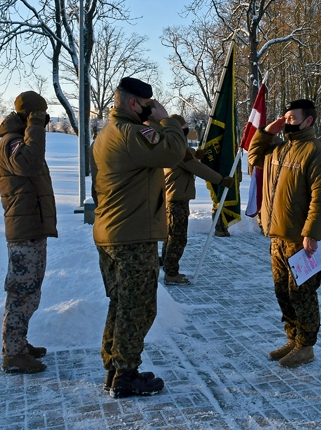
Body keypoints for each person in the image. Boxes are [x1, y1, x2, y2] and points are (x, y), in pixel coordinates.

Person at [91, 77, 187, 398]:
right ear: (135, 103)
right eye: (148, 105)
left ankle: (114, 368)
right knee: (140, 306)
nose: (151, 109)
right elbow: (172, 152)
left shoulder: (106, 134)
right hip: (131, 236)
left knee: (121, 303)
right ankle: (126, 375)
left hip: (111, 233)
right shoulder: (132, 133)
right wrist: (168, 120)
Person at [248, 99, 321, 368]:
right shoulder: (279, 148)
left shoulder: (317, 153)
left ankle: (306, 345)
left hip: (300, 240)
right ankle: (294, 338)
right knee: (282, 292)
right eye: (285, 117)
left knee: (302, 293)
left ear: (308, 121)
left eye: (292, 118)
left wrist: (312, 232)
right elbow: (253, 156)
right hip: (277, 236)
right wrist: (266, 132)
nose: (287, 121)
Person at [0, 91, 57, 374]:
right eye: (40, 115)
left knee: (30, 291)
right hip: (23, 231)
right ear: (30, 115)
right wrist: (34, 127)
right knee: (22, 292)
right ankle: (12, 353)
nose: (44, 121)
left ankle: (18, 344)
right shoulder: (12, 142)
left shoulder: (24, 140)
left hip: (32, 227)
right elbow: (28, 163)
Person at [162, 114, 235, 285]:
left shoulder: (170, 145)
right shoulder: (178, 150)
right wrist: (221, 180)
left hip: (173, 197)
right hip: (176, 199)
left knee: (171, 235)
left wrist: (196, 153)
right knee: (177, 238)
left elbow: (190, 157)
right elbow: (196, 167)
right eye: (183, 126)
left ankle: (167, 265)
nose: (187, 129)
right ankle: (171, 274)